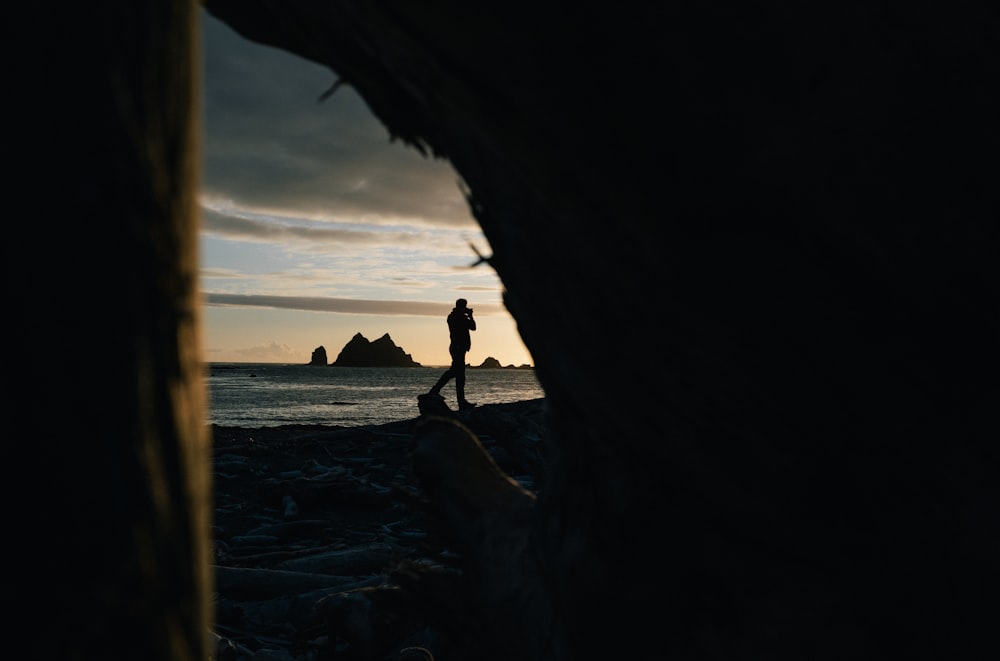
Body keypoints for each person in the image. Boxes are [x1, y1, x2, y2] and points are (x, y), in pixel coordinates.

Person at [427, 298, 477, 409]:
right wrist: (470, 315)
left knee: (459, 375)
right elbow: (473, 327)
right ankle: (435, 391)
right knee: (455, 372)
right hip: (458, 347)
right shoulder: (457, 317)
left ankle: (461, 402)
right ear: (462, 306)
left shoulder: (453, 316)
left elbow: (472, 327)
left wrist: (467, 315)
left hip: (457, 347)